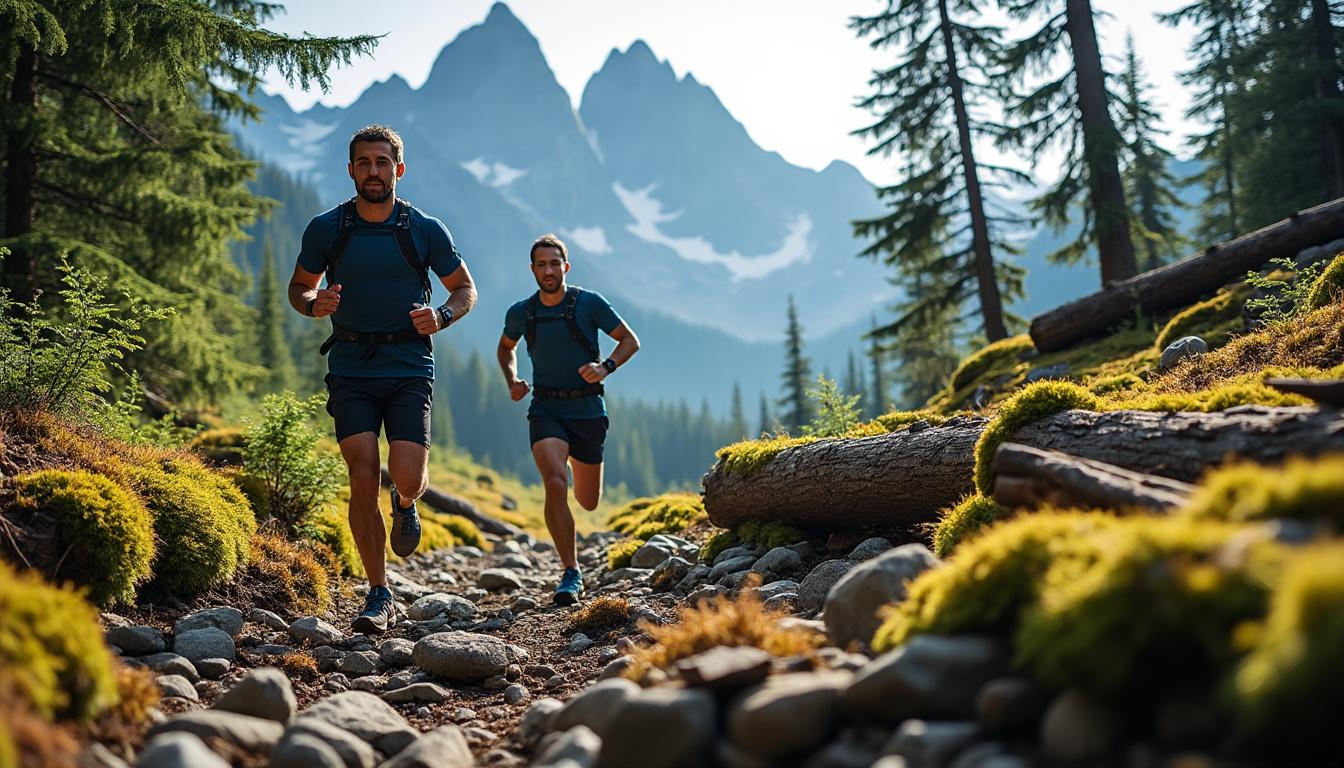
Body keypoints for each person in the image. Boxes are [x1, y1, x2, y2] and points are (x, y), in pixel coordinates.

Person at [288, 124, 477, 634]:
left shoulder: (423, 229)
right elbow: (300, 288)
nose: (373, 171)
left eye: (382, 162)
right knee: (362, 471)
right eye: (364, 163)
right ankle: (378, 592)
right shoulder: (328, 228)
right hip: (350, 364)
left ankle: (405, 502)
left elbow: (464, 289)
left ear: (399, 168)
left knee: (409, 475)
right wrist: (313, 304)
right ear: (350, 170)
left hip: (409, 364)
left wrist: (442, 316)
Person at [497, 234, 639, 605]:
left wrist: (605, 367)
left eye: (554, 264)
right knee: (555, 482)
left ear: (566, 267)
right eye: (541, 265)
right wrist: (512, 380)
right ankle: (570, 572)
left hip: (588, 410)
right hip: (546, 409)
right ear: (532, 270)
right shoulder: (522, 312)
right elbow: (505, 348)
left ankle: (575, 462)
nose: (548, 270)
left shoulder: (588, 303)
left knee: (588, 500)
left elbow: (629, 340)